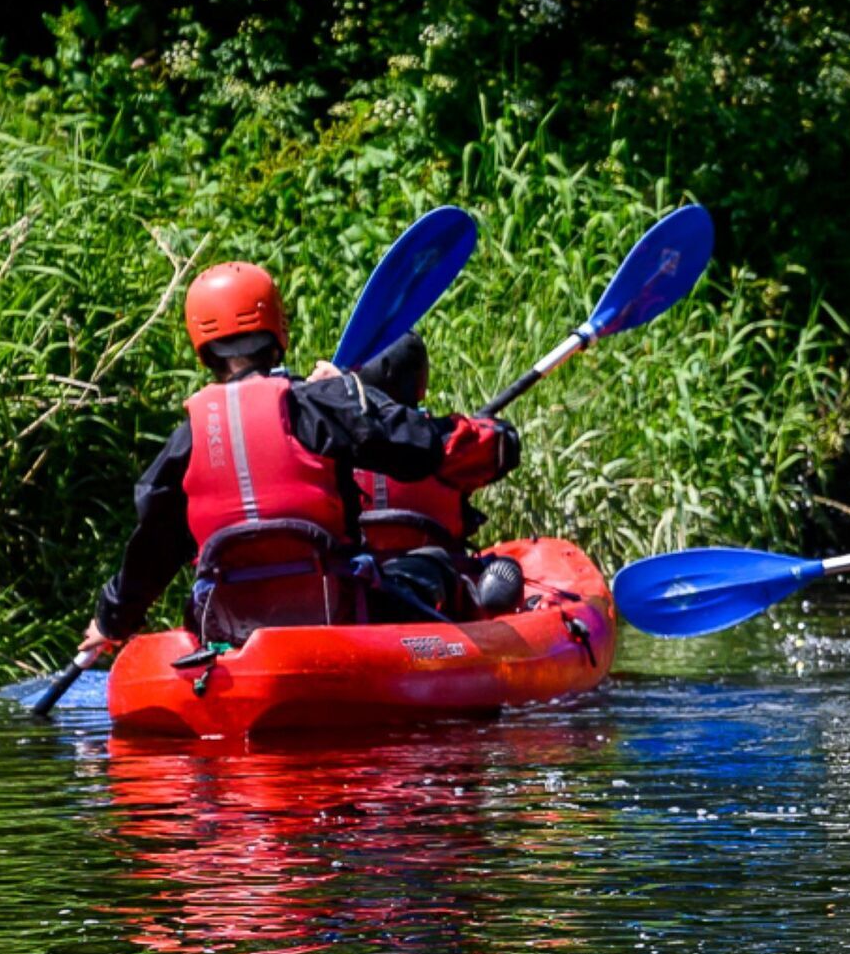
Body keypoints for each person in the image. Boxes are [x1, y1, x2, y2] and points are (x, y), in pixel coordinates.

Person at [69, 263, 521, 670]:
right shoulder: (316, 405)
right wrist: (352, 395)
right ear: (277, 333)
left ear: (202, 346)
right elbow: (421, 449)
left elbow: (152, 548)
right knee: (433, 566)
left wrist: (112, 619)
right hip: (336, 618)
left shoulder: (187, 438)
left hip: (229, 633)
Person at [352, 330, 527, 622]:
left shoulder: (327, 441)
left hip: (360, 588)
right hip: (436, 596)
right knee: (503, 573)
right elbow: (505, 442)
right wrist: (463, 424)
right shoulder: (446, 444)